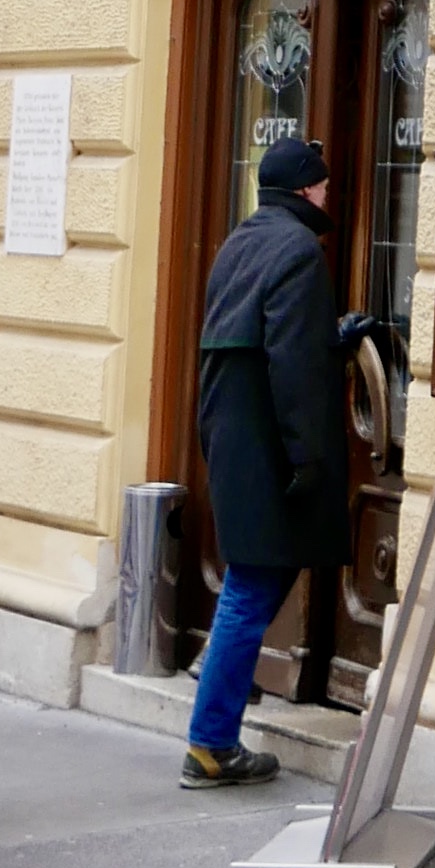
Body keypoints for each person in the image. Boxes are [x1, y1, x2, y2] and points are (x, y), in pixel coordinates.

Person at [183, 132, 351, 785]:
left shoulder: (240, 242)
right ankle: (211, 742)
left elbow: (252, 342)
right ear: (307, 189)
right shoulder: (299, 251)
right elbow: (293, 365)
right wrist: (308, 456)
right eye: (325, 187)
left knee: (255, 582)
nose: (328, 197)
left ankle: (218, 687)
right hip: (270, 447)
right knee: (250, 588)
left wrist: (334, 339)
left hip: (233, 438)